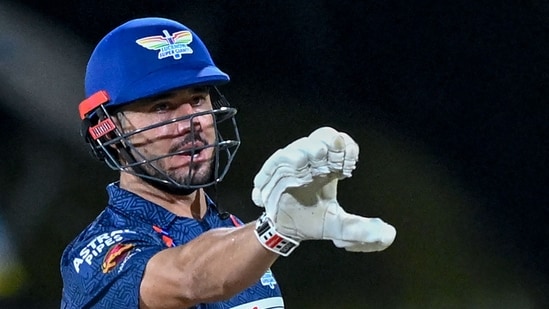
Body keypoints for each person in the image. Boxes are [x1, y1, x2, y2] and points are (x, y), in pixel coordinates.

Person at [60, 17, 397, 309]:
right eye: (161, 107)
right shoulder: (95, 255)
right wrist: (276, 230)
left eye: (197, 99)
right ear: (107, 130)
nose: (190, 121)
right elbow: (189, 277)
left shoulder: (234, 229)